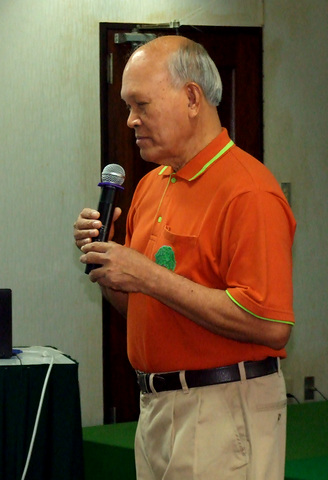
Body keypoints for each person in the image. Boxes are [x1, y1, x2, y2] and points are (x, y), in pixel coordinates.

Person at [74, 36, 295, 479]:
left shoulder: (249, 191)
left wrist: (148, 275)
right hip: (155, 408)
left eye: (141, 105)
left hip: (221, 409)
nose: (131, 120)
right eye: (127, 107)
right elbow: (147, 308)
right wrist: (108, 266)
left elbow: (270, 325)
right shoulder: (152, 184)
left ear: (192, 98)